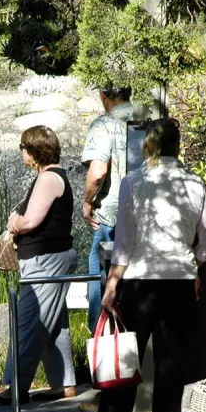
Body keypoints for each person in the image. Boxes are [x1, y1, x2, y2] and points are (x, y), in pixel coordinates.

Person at [78, 118, 206, 412]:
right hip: (181, 281)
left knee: (125, 368)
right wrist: (196, 262)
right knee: (172, 373)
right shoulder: (195, 183)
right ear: (178, 145)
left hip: (139, 282)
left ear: (149, 145)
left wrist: (112, 284)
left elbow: (124, 241)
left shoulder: (133, 182)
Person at [0, 125, 78, 406]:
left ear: (33, 151)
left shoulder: (49, 178)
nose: (21, 153)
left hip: (45, 261)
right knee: (53, 325)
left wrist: (14, 222)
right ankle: (64, 384)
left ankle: (16, 387)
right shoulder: (51, 176)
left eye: (23, 148)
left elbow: (30, 222)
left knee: (28, 322)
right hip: (50, 259)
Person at [80, 86, 138, 333]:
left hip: (112, 216)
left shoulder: (104, 124)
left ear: (104, 96)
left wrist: (87, 202)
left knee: (101, 278)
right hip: (145, 216)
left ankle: (101, 340)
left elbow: (98, 171)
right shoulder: (147, 118)